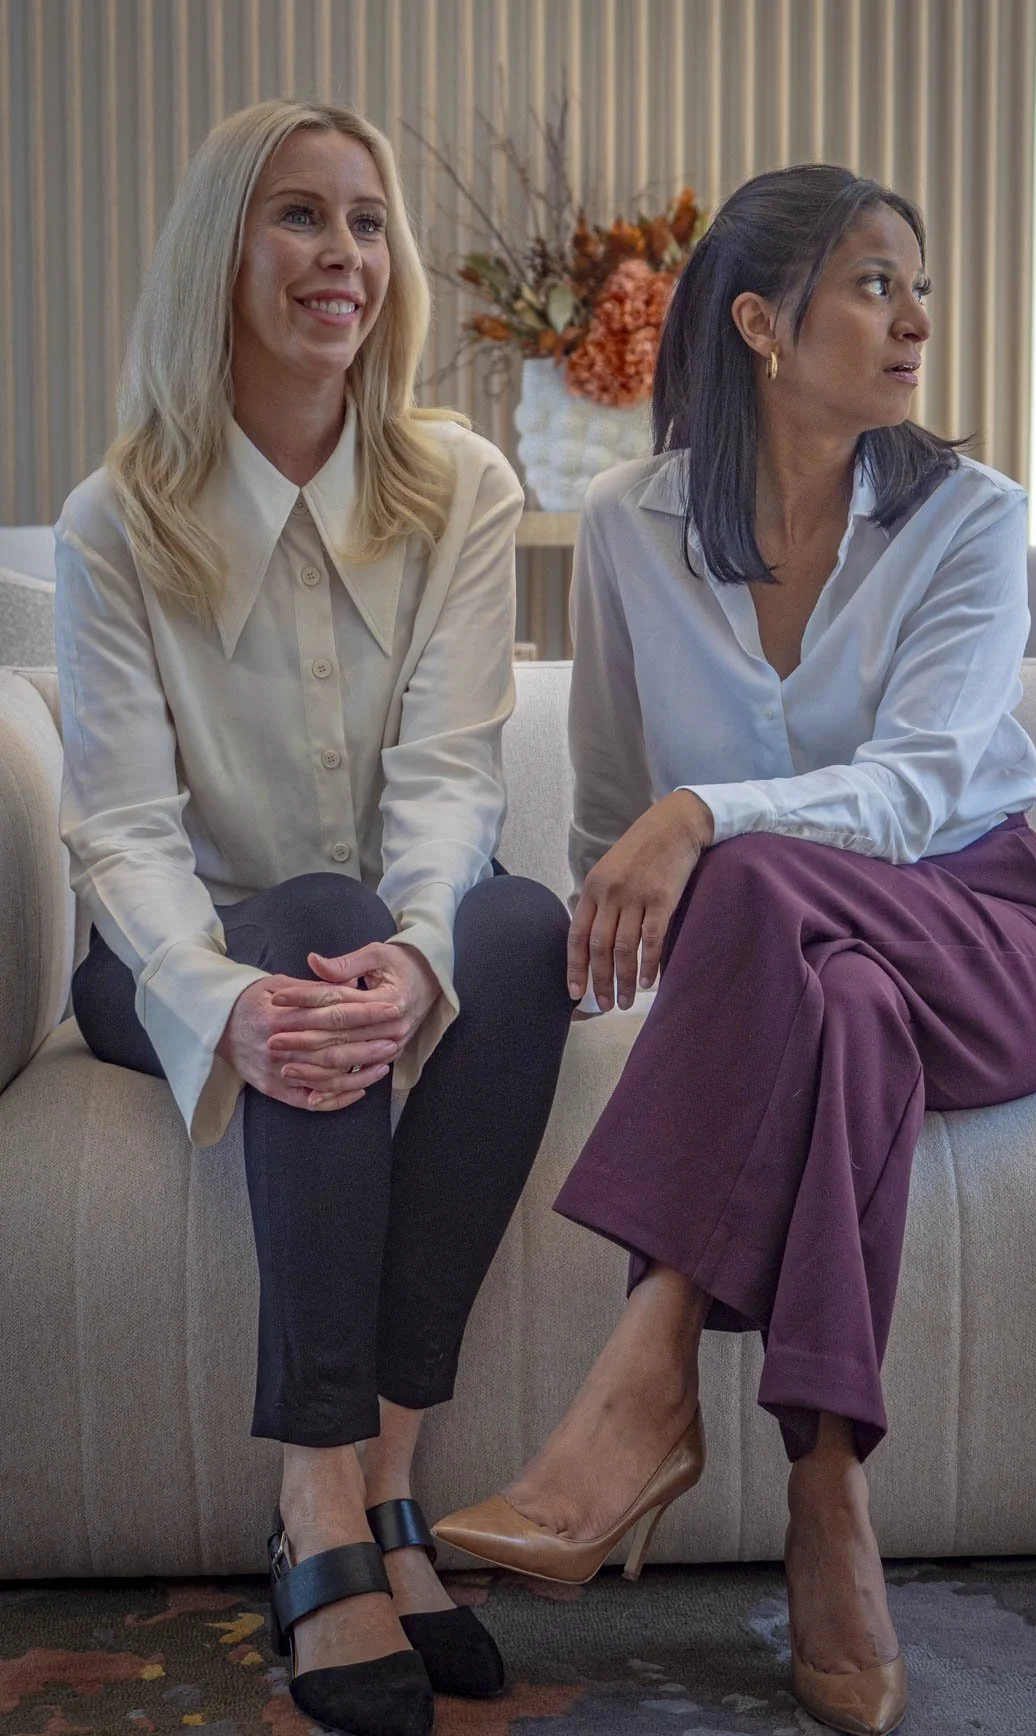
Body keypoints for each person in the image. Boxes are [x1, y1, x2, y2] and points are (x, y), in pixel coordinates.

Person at [433, 164, 1036, 1736]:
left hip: (990, 932)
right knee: (838, 998)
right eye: (878, 284)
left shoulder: (971, 519)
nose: (918, 317)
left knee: (760, 873)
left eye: (919, 287)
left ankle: (648, 1373)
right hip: (825, 965)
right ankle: (826, 1495)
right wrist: (676, 846)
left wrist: (707, 817)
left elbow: (932, 779)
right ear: (759, 322)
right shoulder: (625, 527)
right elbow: (614, 820)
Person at [55, 99, 573, 1736]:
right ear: (223, 250)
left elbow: (449, 774)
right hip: (177, 954)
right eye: (298, 216)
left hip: (379, 927)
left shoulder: (462, 486)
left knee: (517, 930)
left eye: (364, 223)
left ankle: (375, 1478)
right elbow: (122, 833)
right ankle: (321, 1502)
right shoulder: (114, 522)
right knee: (314, 909)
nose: (341, 257)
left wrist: (418, 961)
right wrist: (227, 997)